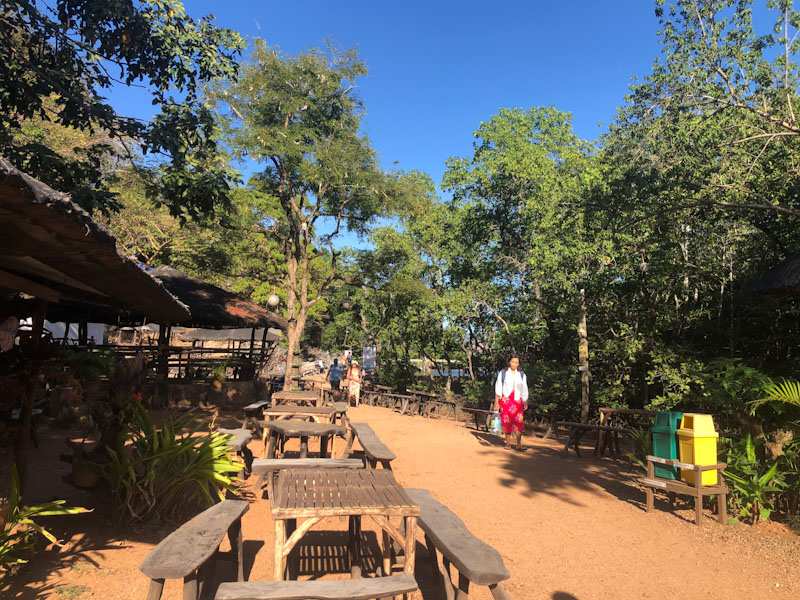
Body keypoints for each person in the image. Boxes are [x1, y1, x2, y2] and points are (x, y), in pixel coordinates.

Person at [493, 353, 529, 451]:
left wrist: (525, 400)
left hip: (517, 401)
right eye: (513, 362)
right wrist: (497, 402)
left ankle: (518, 444)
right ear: (509, 362)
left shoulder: (521, 374)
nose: (514, 364)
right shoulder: (503, 373)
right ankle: (508, 444)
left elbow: (524, 388)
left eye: (516, 362)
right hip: (506, 401)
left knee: (519, 423)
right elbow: (498, 387)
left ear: (519, 364)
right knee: (506, 422)